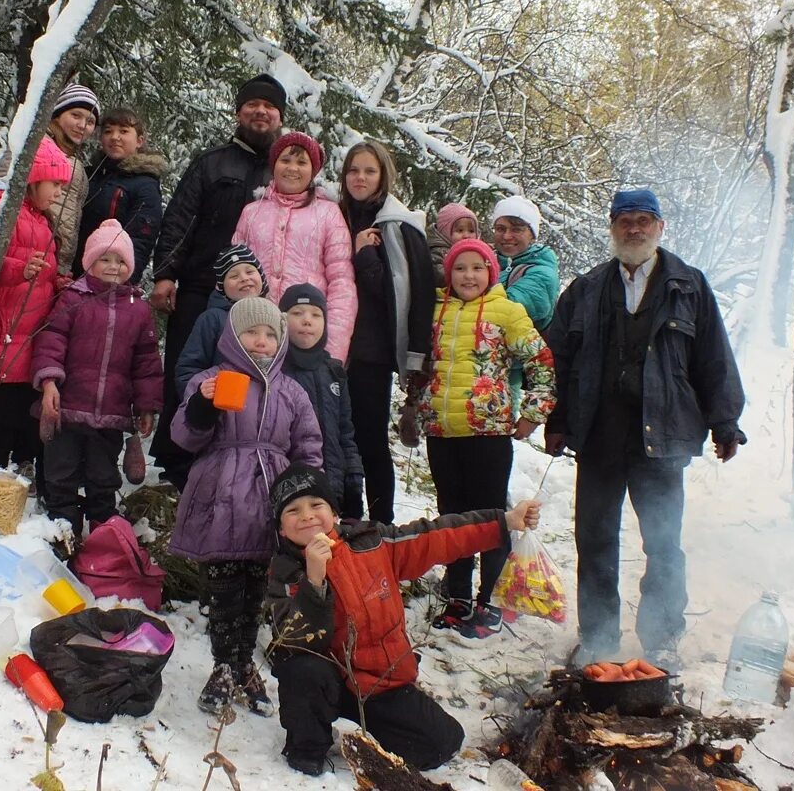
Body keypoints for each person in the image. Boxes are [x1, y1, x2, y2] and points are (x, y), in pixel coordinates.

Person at [544, 188, 746, 667]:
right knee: (594, 539)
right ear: (612, 228)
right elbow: (557, 360)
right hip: (598, 434)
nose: (634, 229)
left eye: (643, 220)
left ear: (660, 227)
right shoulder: (586, 288)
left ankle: (661, 640)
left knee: (662, 542)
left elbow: (713, 358)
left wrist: (726, 422)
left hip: (662, 437)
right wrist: (556, 420)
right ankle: (598, 639)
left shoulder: (689, 286)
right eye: (625, 221)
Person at [266, 464, 542, 776]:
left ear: (335, 513)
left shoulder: (373, 543)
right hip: (330, 684)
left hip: (383, 684)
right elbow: (299, 641)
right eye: (293, 510)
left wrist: (504, 522)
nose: (307, 516)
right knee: (301, 669)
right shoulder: (284, 574)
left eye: (316, 505)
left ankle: (383, 724)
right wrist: (314, 580)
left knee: (443, 743)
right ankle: (307, 748)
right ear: (281, 528)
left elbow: (437, 536)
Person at [169, 297, 323, 717]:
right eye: (252, 332)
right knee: (222, 586)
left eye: (271, 334)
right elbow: (184, 437)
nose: (261, 341)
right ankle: (222, 663)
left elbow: (308, 445)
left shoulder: (291, 390)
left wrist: (304, 493)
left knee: (257, 585)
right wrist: (202, 403)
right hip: (219, 490)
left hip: (268, 496)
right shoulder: (211, 378)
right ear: (233, 336)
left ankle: (243, 665)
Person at [149, 74, 285, 487]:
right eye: (252, 105)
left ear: (280, 116)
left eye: (269, 106)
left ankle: (236, 454)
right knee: (188, 368)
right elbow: (180, 219)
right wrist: (166, 273)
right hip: (199, 285)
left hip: (258, 298)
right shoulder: (212, 163)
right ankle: (177, 459)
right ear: (239, 111)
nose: (260, 112)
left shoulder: (285, 170)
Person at [415, 238, 555, 638]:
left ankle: (491, 598)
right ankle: (457, 593)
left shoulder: (507, 312)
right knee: (453, 515)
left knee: (494, 516)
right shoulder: (435, 311)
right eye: (460, 268)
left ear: (491, 272)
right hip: (442, 432)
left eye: (477, 268)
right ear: (449, 273)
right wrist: (417, 403)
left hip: (488, 434)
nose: (468, 276)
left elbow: (542, 364)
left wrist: (532, 414)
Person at [31, 219, 163, 538]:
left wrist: (146, 406)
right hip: (68, 409)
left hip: (112, 414)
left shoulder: (138, 309)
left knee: (102, 479)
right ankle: (62, 535)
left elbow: (146, 361)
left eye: (120, 261)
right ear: (90, 261)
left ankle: (103, 540)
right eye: (105, 259)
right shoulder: (73, 298)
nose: (113, 267)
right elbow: (52, 341)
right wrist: (49, 382)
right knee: (61, 477)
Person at [0, 138, 72, 474]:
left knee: (23, 408)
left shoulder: (39, 218)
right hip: (3, 334)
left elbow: (40, 269)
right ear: (32, 178)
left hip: (28, 336)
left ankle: (16, 476)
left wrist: (56, 284)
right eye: (55, 184)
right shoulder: (2, 207)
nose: (58, 193)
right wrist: (16, 270)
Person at [339, 140, 435, 523]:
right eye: (353, 170)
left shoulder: (398, 226)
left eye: (369, 171)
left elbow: (408, 296)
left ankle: (380, 525)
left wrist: (364, 257)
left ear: (383, 177)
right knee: (337, 440)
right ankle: (345, 520)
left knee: (370, 441)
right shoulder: (335, 216)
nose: (360, 178)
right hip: (329, 344)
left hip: (371, 351)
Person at [231, 131, 357, 362]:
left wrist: (333, 350)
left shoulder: (328, 213)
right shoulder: (252, 212)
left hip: (306, 338)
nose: (292, 168)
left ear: (313, 170)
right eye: (285, 160)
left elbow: (342, 284)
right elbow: (233, 274)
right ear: (274, 164)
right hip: (256, 336)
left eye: (302, 162)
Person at [279, 283, 364, 519]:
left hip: (334, 486)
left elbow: (346, 432)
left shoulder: (334, 371)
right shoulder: (276, 370)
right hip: (292, 490)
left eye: (316, 315)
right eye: (297, 313)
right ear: (282, 320)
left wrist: (354, 477)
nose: (307, 321)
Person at [73, 106, 165, 285]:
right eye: (108, 131)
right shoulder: (88, 174)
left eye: (123, 131)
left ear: (139, 140)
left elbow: (140, 241)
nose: (115, 137)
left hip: (109, 281)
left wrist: (123, 285)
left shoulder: (145, 184)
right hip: (71, 275)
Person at [174, 244, 269, 399]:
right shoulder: (212, 319)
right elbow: (188, 369)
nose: (244, 278)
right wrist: (201, 396)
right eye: (234, 276)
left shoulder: (275, 319)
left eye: (250, 271)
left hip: (266, 411)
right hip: (223, 408)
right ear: (221, 287)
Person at [45, 83, 100, 277]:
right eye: (76, 115)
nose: (82, 125)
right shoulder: (36, 147)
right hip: (31, 260)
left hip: (53, 266)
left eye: (90, 121)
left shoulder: (73, 159)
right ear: (58, 113)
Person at [491, 196, 559, 331]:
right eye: (500, 229)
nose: (506, 236)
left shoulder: (543, 272)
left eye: (516, 229)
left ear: (532, 235)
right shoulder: (484, 261)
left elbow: (505, 310)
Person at [427, 201, 479, 287]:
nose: (466, 236)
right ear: (445, 232)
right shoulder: (439, 251)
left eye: (471, 231)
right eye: (460, 230)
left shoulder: (476, 252)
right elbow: (440, 275)